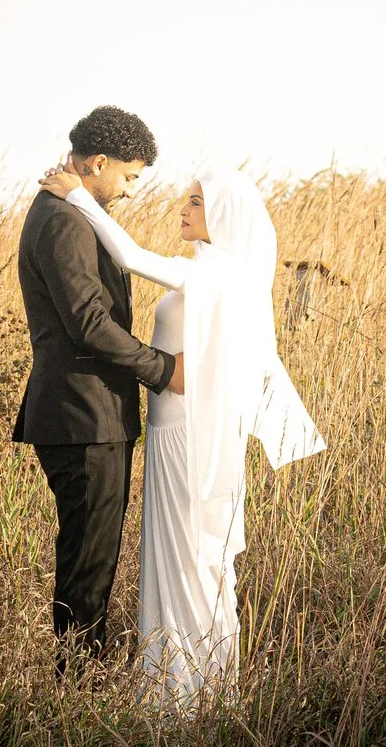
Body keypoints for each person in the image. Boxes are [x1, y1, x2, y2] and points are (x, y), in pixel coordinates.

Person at [38, 161, 325, 705]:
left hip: (190, 437)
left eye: (195, 202)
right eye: (187, 200)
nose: (183, 209)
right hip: (172, 433)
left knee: (194, 558)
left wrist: (79, 198)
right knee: (177, 560)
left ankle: (195, 698)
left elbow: (130, 257)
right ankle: (180, 691)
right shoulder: (213, 270)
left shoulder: (218, 272)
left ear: (223, 214)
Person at [10, 106, 181, 676]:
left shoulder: (69, 211)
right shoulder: (61, 220)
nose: (131, 191)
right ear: (98, 163)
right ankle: (75, 693)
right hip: (83, 418)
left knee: (90, 559)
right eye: (130, 177)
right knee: (88, 565)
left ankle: (76, 683)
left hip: (88, 417)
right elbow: (87, 322)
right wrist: (161, 370)